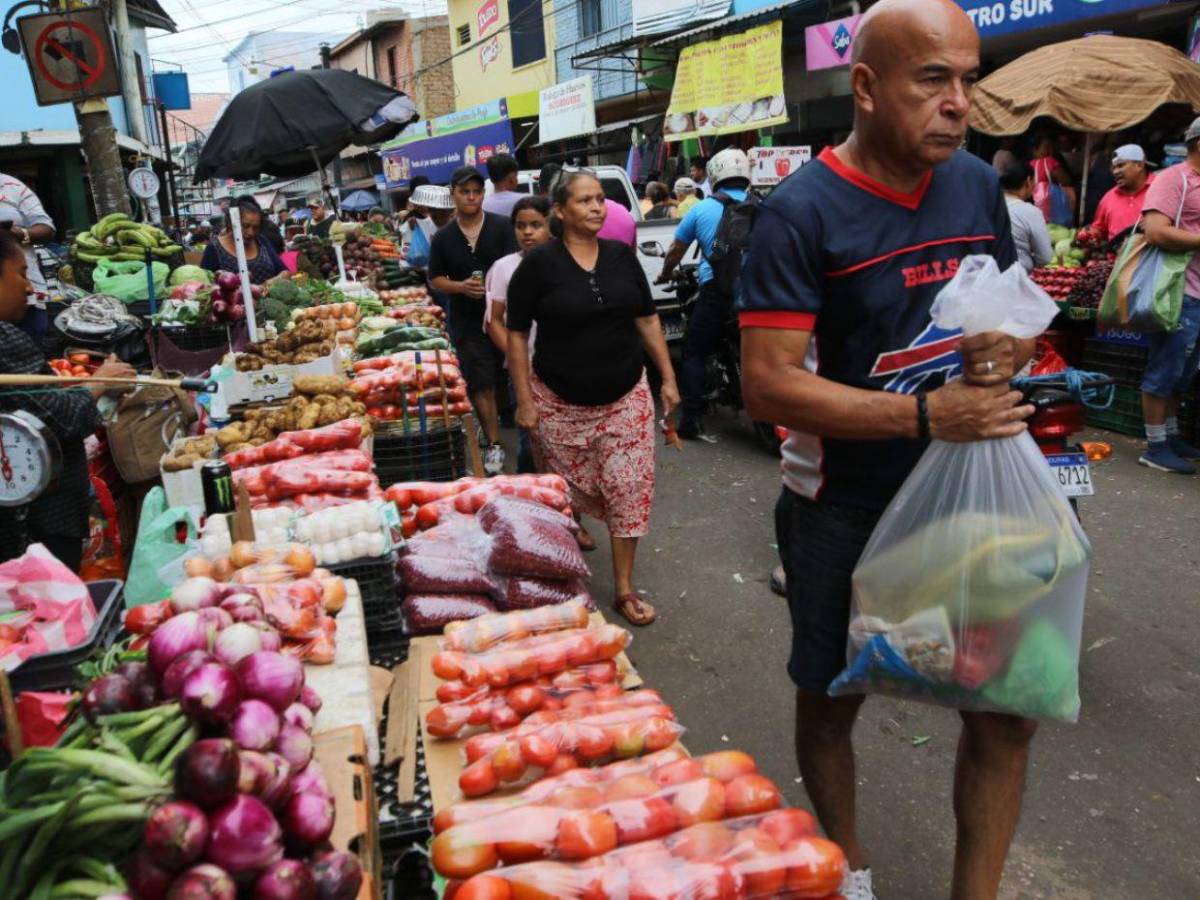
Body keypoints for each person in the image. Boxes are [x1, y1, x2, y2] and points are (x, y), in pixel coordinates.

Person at [739, 2, 1040, 897]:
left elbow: (1002, 306)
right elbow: (768, 385)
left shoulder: (977, 186)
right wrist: (922, 418)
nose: (958, 103)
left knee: (1005, 713)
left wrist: (1006, 345)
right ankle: (851, 869)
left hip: (974, 492)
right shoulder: (799, 214)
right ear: (865, 87)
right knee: (833, 703)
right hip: (845, 508)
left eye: (968, 80)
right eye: (933, 79)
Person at [507, 170, 680, 626]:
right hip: (559, 404)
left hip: (626, 397)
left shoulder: (622, 257)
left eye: (601, 199)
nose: (597, 207)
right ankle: (561, 575)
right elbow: (516, 333)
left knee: (629, 489)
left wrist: (667, 376)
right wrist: (524, 400)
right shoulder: (539, 265)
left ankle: (624, 587)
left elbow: (646, 319)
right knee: (565, 492)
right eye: (585, 201)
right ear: (560, 212)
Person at [0, 231, 135, 571]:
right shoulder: (4, 339)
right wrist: (100, 382)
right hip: (37, 520)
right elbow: (63, 418)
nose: (29, 287)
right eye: (20, 273)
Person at [657, 148, 756, 439]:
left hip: (717, 292)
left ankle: (692, 420)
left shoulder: (702, 209)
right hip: (760, 292)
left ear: (714, 176)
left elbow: (676, 250)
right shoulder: (764, 205)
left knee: (694, 353)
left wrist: (665, 273)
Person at [428, 166, 517, 475]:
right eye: (465, 192)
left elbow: (515, 265)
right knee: (481, 383)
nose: (471, 197)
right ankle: (493, 443)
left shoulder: (503, 227)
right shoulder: (443, 238)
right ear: (453, 194)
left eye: (477, 192)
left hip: (505, 317)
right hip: (467, 321)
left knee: (510, 375)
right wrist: (460, 287)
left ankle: (509, 425)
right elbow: (436, 279)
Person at [1135, 118, 1200, 474]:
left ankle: (1172, 436)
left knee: (1184, 372)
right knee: (1164, 369)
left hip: (1199, 294)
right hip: (1177, 291)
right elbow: (1156, 231)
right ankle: (1155, 445)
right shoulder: (1173, 179)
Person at [485, 196, 553, 476]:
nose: (527, 232)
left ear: (551, 226)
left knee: (562, 445)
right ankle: (531, 499)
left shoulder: (565, 259)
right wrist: (519, 359)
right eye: (521, 226)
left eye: (536, 225)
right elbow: (493, 321)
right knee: (531, 443)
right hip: (525, 372)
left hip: (565, 370)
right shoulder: (503, 268)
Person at [0, 172, 55, 342]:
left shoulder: (11, 185)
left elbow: (47, 228)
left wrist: (20, 234)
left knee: (31, 352)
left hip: (24, 294)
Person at [200, 196, 288, 285]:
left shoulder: (261, 241)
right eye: (245, 226)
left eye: (255, 227)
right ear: (231, 222)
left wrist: (269, 283)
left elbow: (285, 272)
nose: (251, 232)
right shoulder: (214, 248)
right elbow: (205, 285)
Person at [1091, 144, 1156, 243]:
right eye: (1113, 168)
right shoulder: (1108, 198)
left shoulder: (1160, 187)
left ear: (1139, 165)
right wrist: (1089, 234)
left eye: (1121, 165)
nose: (1115, 172)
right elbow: (1098, 230)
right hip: (1118, 256)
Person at [1000, 164, 1053, 272]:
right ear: (1028, 181)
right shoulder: (1030, 212)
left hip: (986, 276)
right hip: (1017, 276)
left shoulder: (987, 206)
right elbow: (1045, 258)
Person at [1031, 133, 1076, 225]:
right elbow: (1067, 181)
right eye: (1046, 147)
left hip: (1036, 215)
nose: (1050, 151)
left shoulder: (1029, 165)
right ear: (1035, 150)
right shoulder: (1050, 162)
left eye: (1051, 147)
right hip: (1053, 214)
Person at [482, 153, 523, 219]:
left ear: (491, 180)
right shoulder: (525, 201)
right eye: (516, 176)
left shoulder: (481, 205)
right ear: (512, 178)